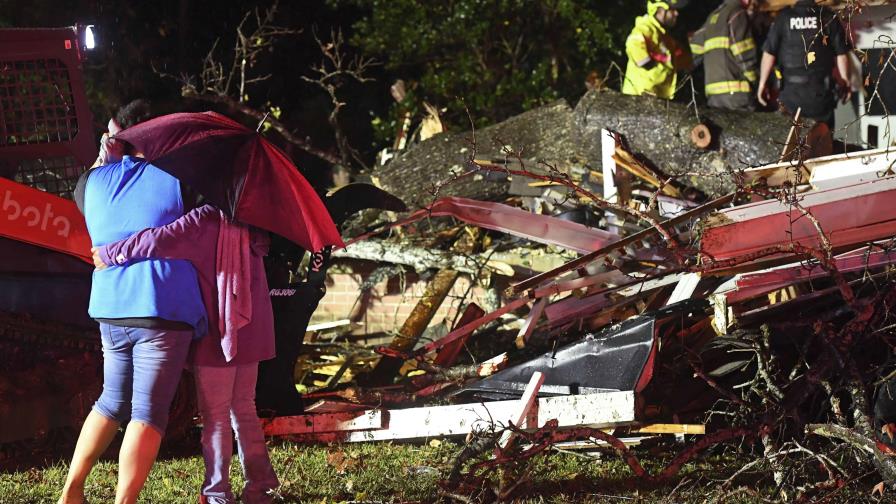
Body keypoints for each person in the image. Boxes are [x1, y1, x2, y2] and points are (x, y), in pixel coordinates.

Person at [59, 100, 207, 504]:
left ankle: (72, 490)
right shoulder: (179, 178)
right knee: (148, 413)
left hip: (109, 305)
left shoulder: (92, 183)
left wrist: (103, 157)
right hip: (160, 306)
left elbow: (84, 191)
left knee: (110, 400)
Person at [93, 204, 280, 504]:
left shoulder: (203, 219)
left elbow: (156, 240)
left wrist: (109, 253)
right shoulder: (253, 221)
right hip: (252, 328)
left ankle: (218, 494)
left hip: (220, 329)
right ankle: (261, 487)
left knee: (216, 416)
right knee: (245, 408)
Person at [756, 0, 851, 126]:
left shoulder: (784, 17)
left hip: (791, 95)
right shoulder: (827, 16)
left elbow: (769, 54)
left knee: (792, 140)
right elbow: (842, 55)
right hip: (820, 95)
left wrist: (762, 83)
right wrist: (845, 82)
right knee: (821, 139)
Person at [690, 0, 760, 110]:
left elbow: (694, 50)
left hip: (714, 95)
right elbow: (744, 53)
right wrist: (756, 81)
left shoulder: (713, 16)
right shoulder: (738, 13)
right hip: (737, 93)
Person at [622, 0, 690, 99]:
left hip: (657, 96)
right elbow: (633, 44)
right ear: (660, 11)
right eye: (672, 9)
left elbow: (681, 62)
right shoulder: (646, 28)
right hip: (640, 96)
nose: (676, 13)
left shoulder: (665, 37)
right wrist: (650, 64)